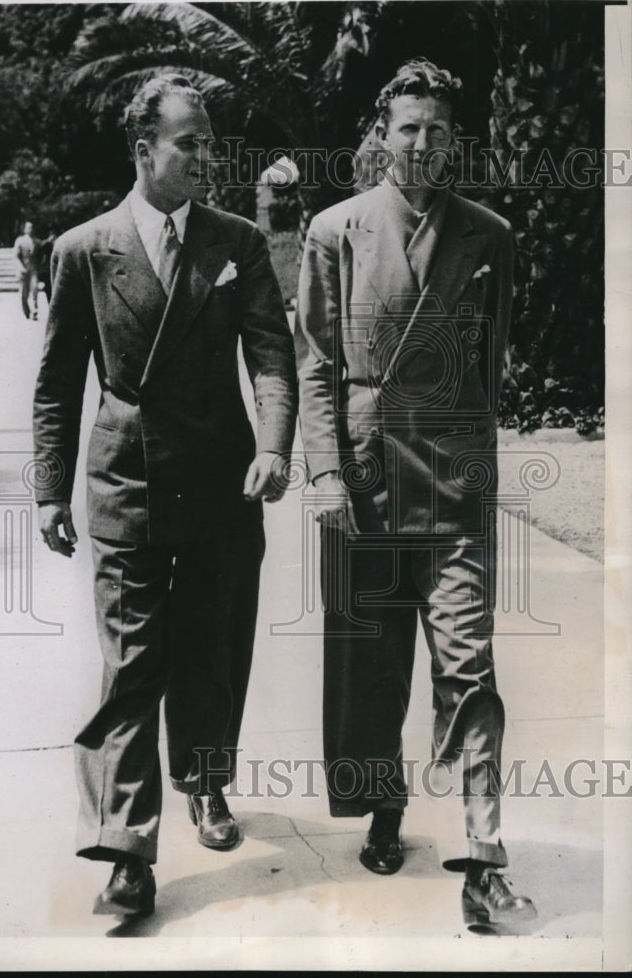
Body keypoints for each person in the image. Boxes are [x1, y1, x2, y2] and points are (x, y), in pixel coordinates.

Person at [33, 74, 297, 918]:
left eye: (212, 143)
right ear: (144, 151)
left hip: (223, 482)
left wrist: (273, 445)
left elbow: (271, 357)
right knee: (132, 665)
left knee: (212, 654)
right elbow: (55, 384)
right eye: (191, 143)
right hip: (127, 483)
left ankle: (206, 784)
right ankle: (126, 848)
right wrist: (49, 490)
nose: (206, 158)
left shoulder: (238, 242)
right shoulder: (82, 248)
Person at [296, 58, 536, 930]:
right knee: (371, 670)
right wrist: (322, 471)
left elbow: (491, 361)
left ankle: (480, 856)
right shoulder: (334, 231)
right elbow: (317, 366)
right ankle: (385, 802)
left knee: (470, 672)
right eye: (408, 127)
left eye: (437, 129)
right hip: (362, 477)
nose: (422, 143)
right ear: (381, 134)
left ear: (454, 139)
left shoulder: (489, 234)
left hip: (455, 486)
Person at [14, 220, 39, 319]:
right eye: (28, 227)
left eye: (31, 228)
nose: (30, 230)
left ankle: (35, 310)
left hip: (33, 269)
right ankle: (26, 311)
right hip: (23, 269)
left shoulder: (36, 241)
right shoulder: (20, 240)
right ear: (24, 229)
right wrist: (20, 267)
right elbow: (16, 256)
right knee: (24, 293)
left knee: (35, 288)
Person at [36, 225, 57, 306]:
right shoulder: (47, 245)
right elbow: (39, 248)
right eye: (51, 234)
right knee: (48, 289)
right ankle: (50, 304)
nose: (53, 237)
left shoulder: (60, 243)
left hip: (57, 269)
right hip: (48, 270)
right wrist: (47, 241)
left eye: (54, 235)